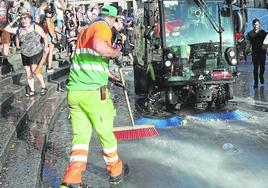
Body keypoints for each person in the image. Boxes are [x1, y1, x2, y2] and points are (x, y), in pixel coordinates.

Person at [60, 5, 129, 188]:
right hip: (93, 93)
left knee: (80, 137)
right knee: (105, 132)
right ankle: (116, 171)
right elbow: (101, 48)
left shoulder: (85, 31)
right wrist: (116, 53)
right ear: (112, 19)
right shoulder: (102, 27)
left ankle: (72, 178)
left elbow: (89, 63)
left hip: (75, 92)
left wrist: (111, 77)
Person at [4, 12, 49, 96]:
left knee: (35, 71)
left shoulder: (35, 27)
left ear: (29, 19)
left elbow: (44, 36)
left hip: (36, 51)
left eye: (25, 18)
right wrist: (15, 19)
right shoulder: (18, 29)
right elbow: (6, 28)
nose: (23, 20)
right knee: (28, 72)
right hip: (24, 53)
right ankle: (32, 90)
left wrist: (46, 46)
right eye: (22, 19)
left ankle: (43, 87)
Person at [246, 18, 267, 88]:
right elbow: (248, 44)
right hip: (255, 54)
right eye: (254, 25)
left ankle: (261, 76)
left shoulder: (263, 33)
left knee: (262, 67)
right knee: (255, 68)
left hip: (262, 53)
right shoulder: (250, 34)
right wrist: (246, 52)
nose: (256, 26)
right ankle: (256, 83)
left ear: (259, 25)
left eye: (257, 24)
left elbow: (267, 42)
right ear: (252, 25)